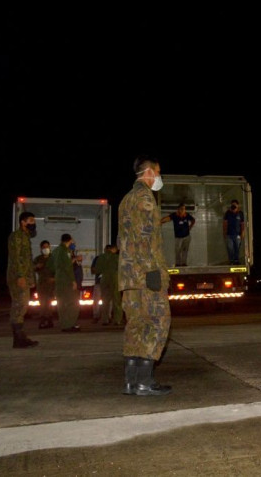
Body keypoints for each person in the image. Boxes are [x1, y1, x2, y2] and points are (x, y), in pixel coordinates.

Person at [118, 155, 172, 396]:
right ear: (149, 172)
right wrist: (152, 271)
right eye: (158, 172)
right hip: (145, 275)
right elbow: (145, 238)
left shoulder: (125, 199)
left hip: (129, 277)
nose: (159, 177)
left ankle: (131, 382)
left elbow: (123, 240)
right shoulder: (144, 198)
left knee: (136, 324)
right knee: (157, 322)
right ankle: (145, 382)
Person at [7, 211, 39, 348]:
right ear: (23, 222)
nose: (33, 223)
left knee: (23, 306)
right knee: (19, 306)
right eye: (31, 220)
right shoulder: (17, 236)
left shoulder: (25, 237)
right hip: (17, 277)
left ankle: (20, 337)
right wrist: (20, 276)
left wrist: (31, 278)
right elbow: (16, 258)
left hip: (24, 277)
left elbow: (26, 261)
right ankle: (19, 339)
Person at [47, 233, 81, 332]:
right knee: (73, 303)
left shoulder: (56, 251)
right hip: (66, 280)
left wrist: (56, 274)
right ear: (69, 240)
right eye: (72, 241)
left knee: (61, 304)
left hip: (59, 280)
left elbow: (50, 265)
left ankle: (64, 324)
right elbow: (67, 267)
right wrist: (73, 281)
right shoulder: (65, 251)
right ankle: (69, 324)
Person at [94, 244, 123, 326]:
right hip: (114, 278)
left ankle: (105, 319)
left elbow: (97, 270)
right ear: (112, 249)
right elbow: (121, 268)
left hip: (104, 279)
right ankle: (117, 320)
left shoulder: (101, 257)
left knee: (105, 300)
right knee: (116, 300)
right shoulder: (116, 257)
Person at [161, 202, 195, 267]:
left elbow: (193, 220)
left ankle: (184, 263)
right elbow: (167, 218)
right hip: (178, 237)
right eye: (181, 209)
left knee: (185, 250)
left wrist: (190, 227)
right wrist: (161, 221)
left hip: (186, 236)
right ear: (178, 210)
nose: (183, 211)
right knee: (178, 250)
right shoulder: (175, 215)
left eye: (184, 209)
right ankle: (178, 264)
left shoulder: (187, 215)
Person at [33, 240, 56, 329]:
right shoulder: (38, 259)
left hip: (51, 284)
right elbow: (32, 268)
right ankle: (43, 320)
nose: (46, 249)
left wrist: (54, 279)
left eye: (47, 247)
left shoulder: (53, 258)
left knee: (49, 302)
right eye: (44, 247)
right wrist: (36, 266)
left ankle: (49, 319)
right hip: (42, 284)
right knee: (42, 302)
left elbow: (58, 269)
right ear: (41, 249)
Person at [90, 245, 109, 324]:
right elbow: (93, 269)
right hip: (99, 282)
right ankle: (96, 316)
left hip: (108, 282)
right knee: (96, 300)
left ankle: (107, 316)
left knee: (107, 300)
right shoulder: (98, 258)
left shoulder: (111, 258)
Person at [223, 199, 245, 264]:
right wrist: (224, 233)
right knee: (230, 248)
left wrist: (242, 233)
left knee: (237, 248)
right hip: (229, 234)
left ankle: (236, 260)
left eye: (235, 205)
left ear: (237, 206)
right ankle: (231, 260)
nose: (233, 207)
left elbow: (242, 224)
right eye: (232, 205)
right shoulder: (228, 213)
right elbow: (225, 223)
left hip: (237, 234)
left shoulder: (240, 213)